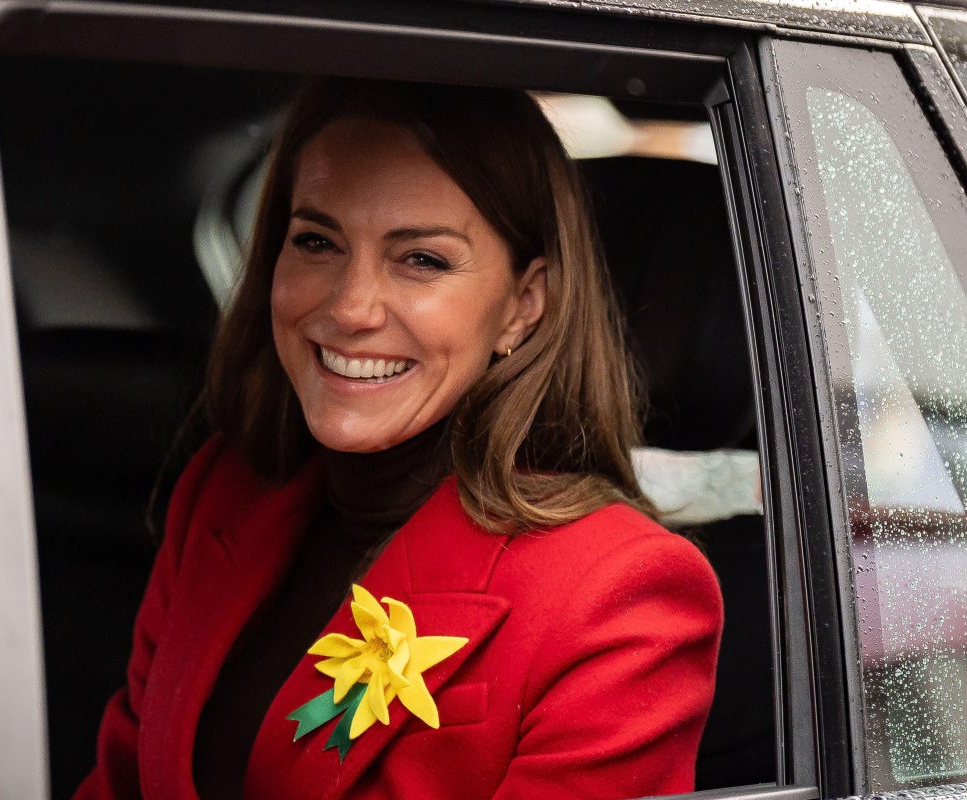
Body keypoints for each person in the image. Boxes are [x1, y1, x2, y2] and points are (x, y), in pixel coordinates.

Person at [75, 78, 722, 800]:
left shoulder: (614, 594)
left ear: (522, 306)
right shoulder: (224, 488)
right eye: (317, 242)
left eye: (421, 259)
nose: (350, 308)